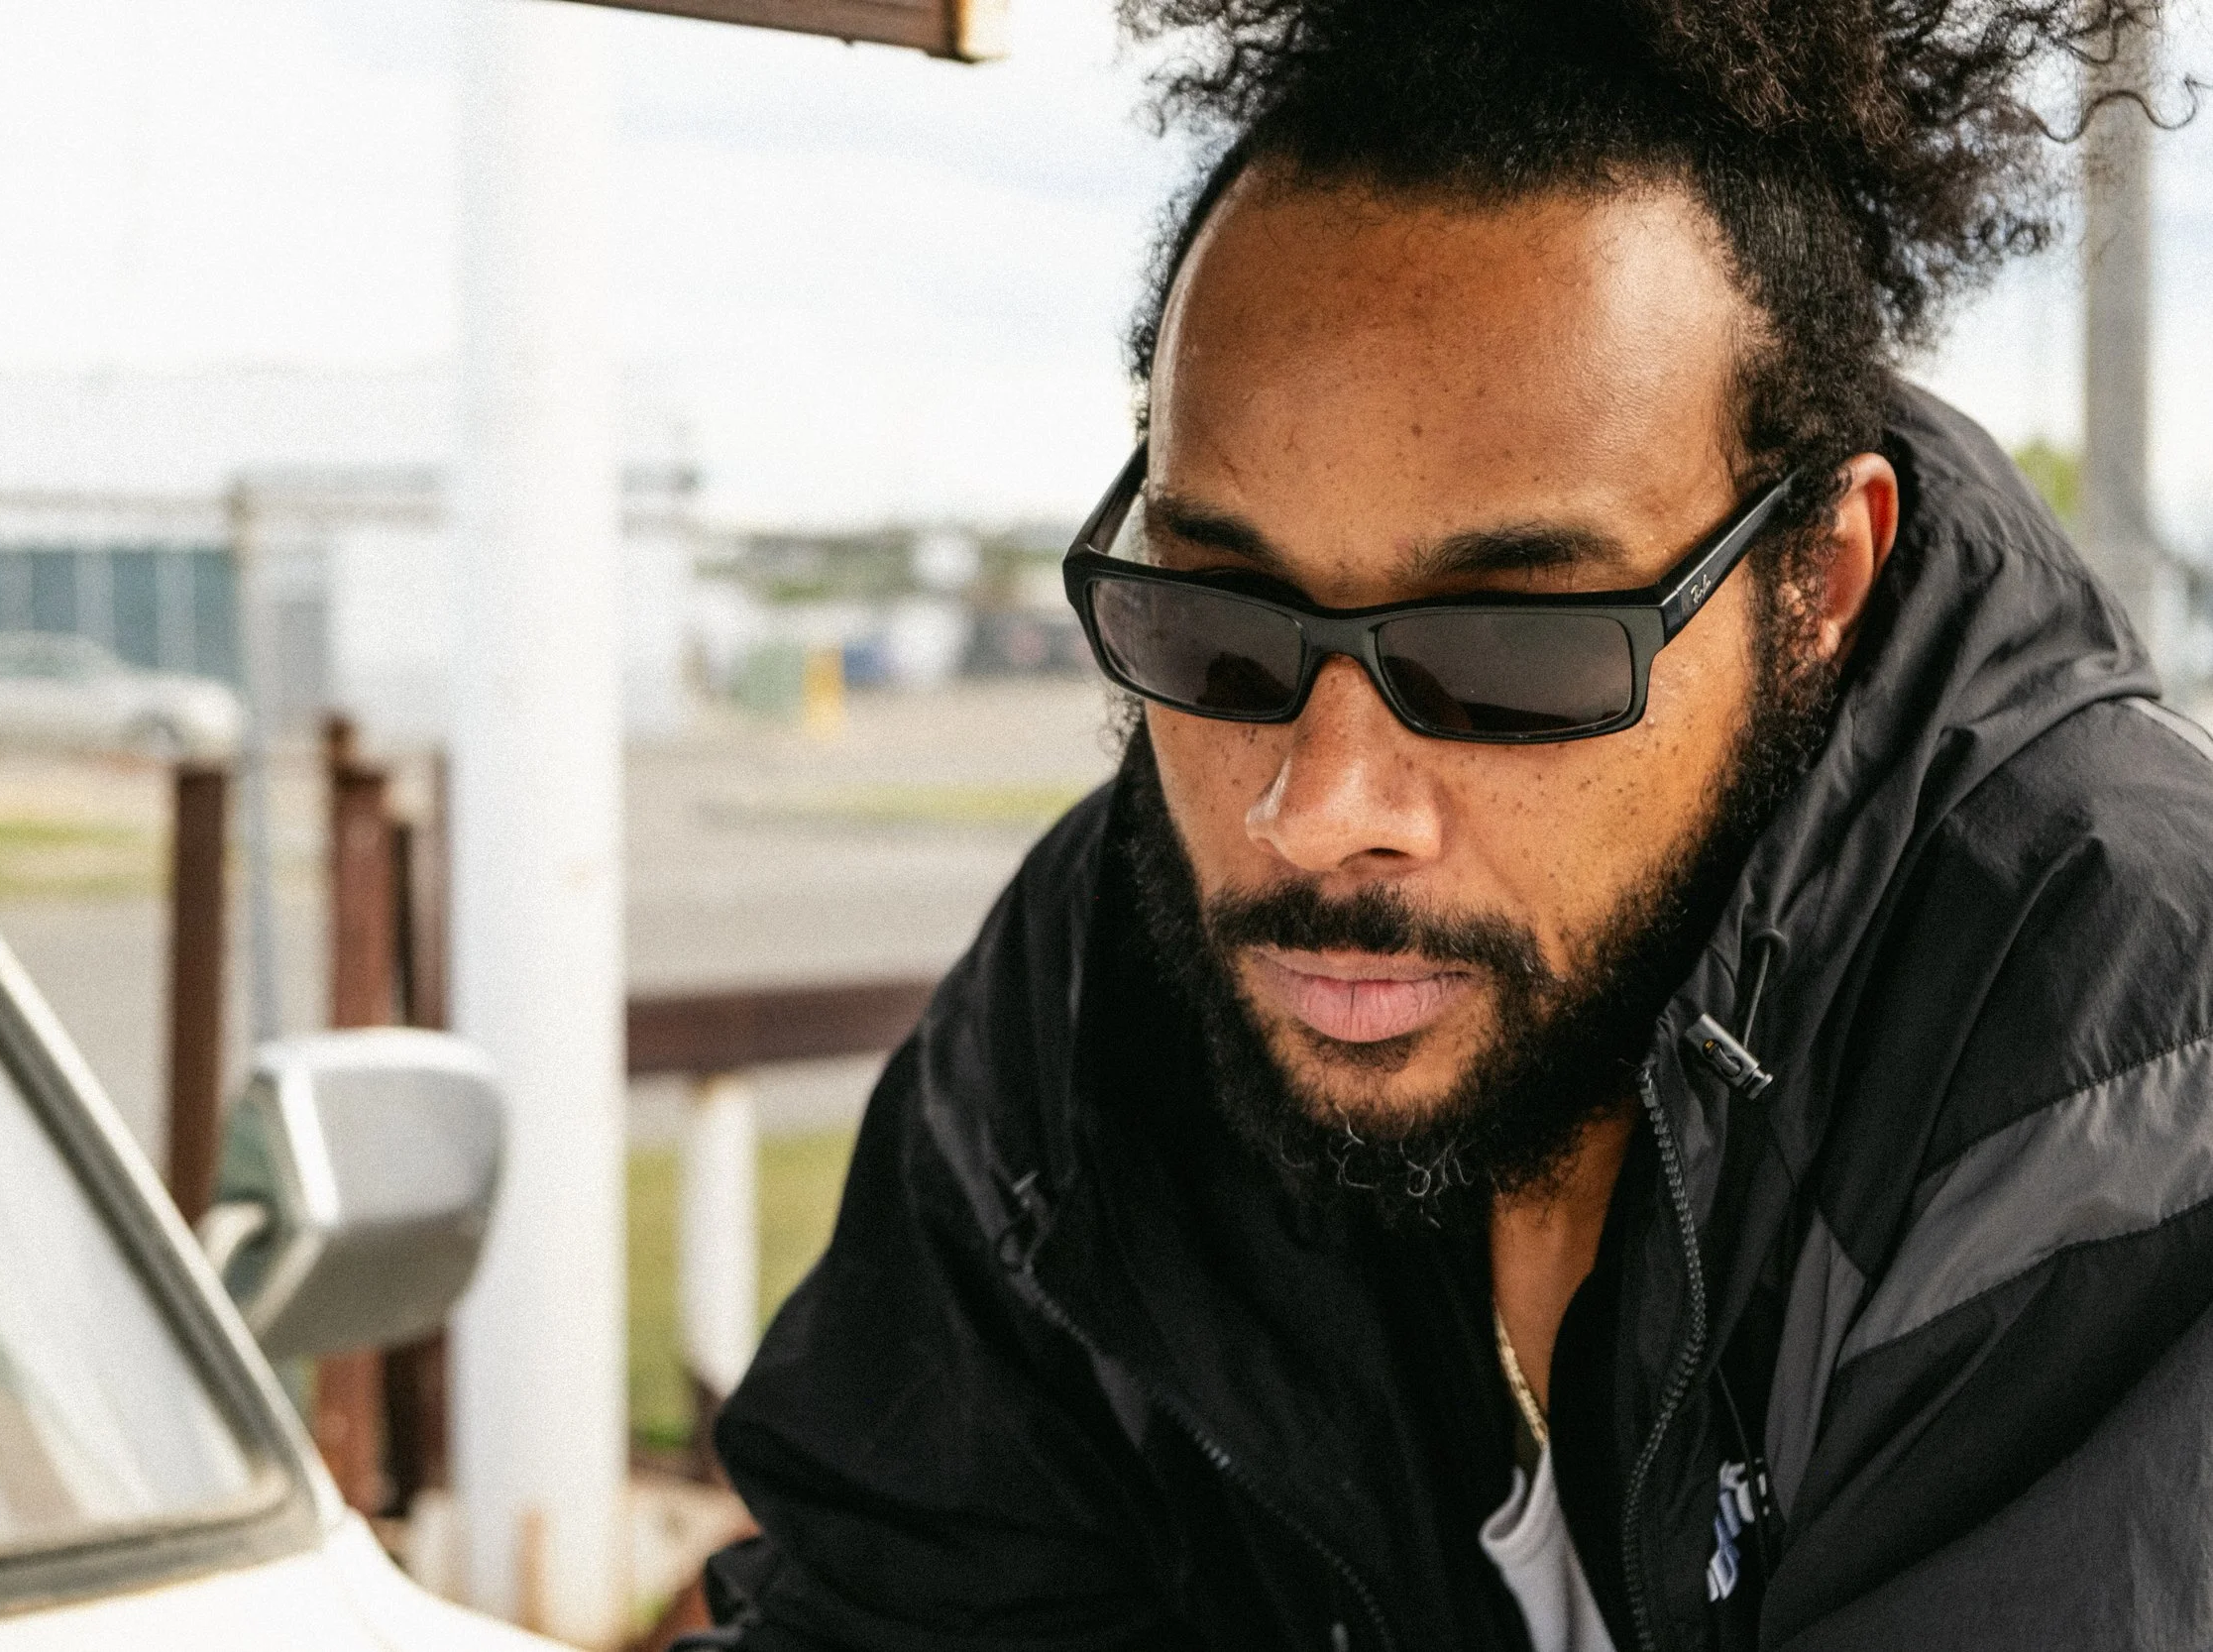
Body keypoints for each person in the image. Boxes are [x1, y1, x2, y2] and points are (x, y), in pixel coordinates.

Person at [682, 2, 2213, 1648]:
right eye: (1222, 625)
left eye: (1509, 653)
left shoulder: (2112, 1063)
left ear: (1817, 579)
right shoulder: (1097, 995)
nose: (1318, 808)